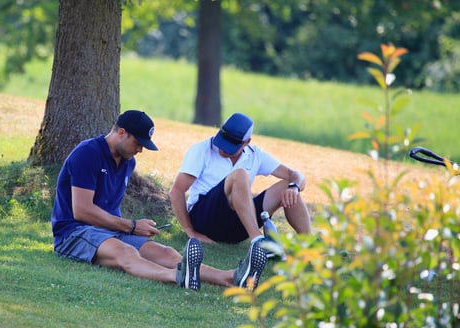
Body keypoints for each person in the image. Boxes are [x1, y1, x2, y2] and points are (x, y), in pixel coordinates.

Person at [52, 110, 268, 291]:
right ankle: (177, 277)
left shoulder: (128, 162)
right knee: (126, 252)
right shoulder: (87, 153)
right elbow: (82, 211)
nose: (140, 150)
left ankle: (231, 278)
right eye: (138, 143)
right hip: (74, 232)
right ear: (121, 132)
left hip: (110, 231)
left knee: (166, 253)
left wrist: (131, 228)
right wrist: (131, 226)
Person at [169, 112, 312, 267]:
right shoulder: (201, 150)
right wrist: (190, 231)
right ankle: (258, 241)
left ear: (246, 143)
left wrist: (294, 187)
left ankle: (310, 245)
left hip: (236, 228)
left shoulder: (255, 154)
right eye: (222, 141)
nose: (223, 148)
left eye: (230, 146)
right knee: (240, 174)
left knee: (288, 185)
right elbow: (176, 191)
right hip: (204, 220)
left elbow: (296, 175)